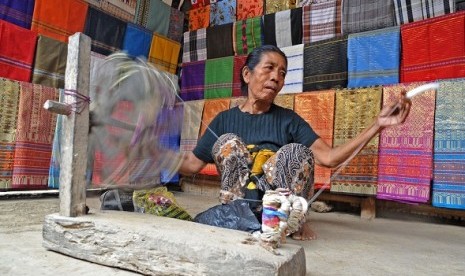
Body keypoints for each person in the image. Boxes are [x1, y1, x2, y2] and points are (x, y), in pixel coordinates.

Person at [178, 45, 411, 240]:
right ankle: (237, 215)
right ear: (247, 74)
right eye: (269, 68)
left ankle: (285, 222)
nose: (276, 77)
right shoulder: (224, 119)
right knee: (228, 142)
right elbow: (191, 164)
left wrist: (377, 125)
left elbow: (328, 158)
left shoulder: (289, 120)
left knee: (295, 152)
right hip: (238, 206)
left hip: (277, 208)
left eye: (282, 73)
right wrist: (153, 156)